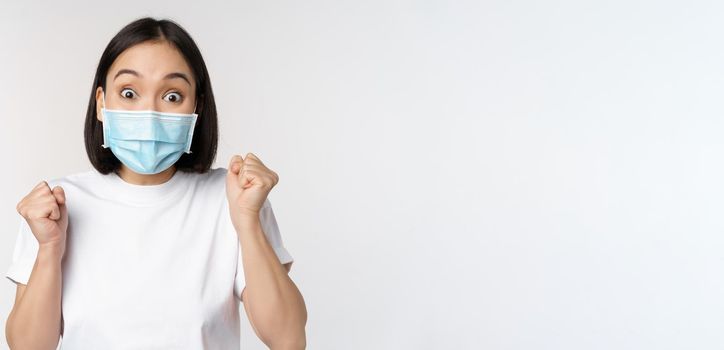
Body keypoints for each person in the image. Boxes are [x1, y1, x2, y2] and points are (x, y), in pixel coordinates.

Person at [4, 17, 307, 349]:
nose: (148, 112)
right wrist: (49, 249)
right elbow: (28, 347)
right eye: (129, 93)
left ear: (198, 107)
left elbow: (287, 338)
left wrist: (248, 223)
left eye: (173, 96)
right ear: (102, 103)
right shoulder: (56, 205)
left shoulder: (234, 198)